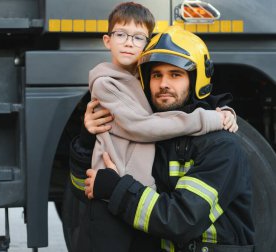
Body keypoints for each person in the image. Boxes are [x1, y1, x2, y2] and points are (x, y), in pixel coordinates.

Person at [78, 26, 254, 251]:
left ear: (196, 79)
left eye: (175, 74)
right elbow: (85, 189)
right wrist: (88, 138)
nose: (163, 84)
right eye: (156, 75)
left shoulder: (221, 145)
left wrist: (116, 190)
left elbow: (181, 220)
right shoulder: (151, 135)